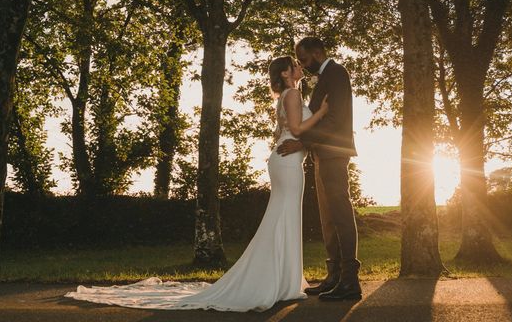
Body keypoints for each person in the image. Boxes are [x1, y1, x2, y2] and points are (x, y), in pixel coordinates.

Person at [64, 56, 328, 312]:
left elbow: (284, 129)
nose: (299, 66)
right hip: (288, 161)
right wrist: (322, 113)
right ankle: (279, 281)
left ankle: (284, 280)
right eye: (294, 65)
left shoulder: (287, 96)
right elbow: (297, 127)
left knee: (283, 216)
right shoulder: (292, 95)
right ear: (285, 73)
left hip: (286, 159)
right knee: (284, 215)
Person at [277, 36, 361, 301]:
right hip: (321, 154)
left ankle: (350, 281)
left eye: (303, 59)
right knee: (327, 218)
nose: (302, 64)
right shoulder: (322, 80)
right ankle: (333, 276)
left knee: (340, 213)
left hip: (335, 153)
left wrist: (303, 141)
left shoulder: (336, 73)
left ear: (316, 52)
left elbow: (335, 120)